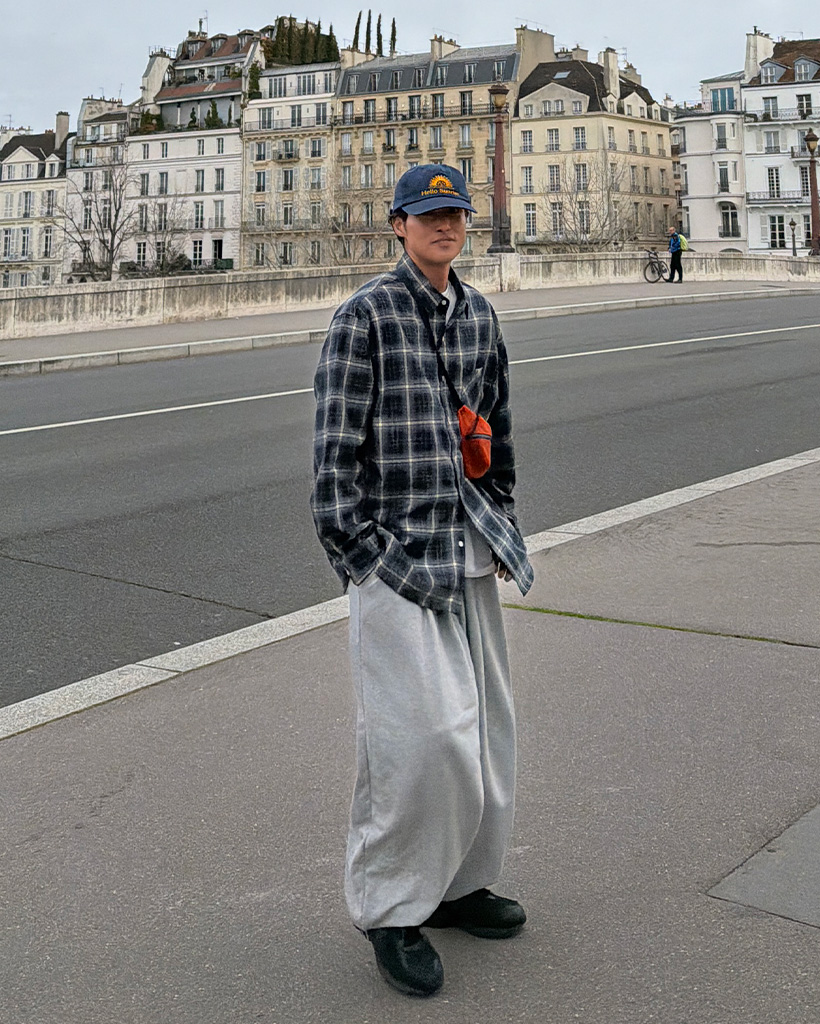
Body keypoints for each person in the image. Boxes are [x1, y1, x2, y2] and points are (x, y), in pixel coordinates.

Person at [311, 164, 533, 998]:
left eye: (457, 214)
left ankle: (457, 885)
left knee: (486, 736)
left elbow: (496, 425)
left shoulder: (478, 314)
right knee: (417, 741)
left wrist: (500, 507)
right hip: (398, 560)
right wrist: (361, 557)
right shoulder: (365, 316)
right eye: (430, 214)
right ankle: (391, 910)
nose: (446, 226)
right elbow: (333, 457)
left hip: (468, 547)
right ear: (398, 225)